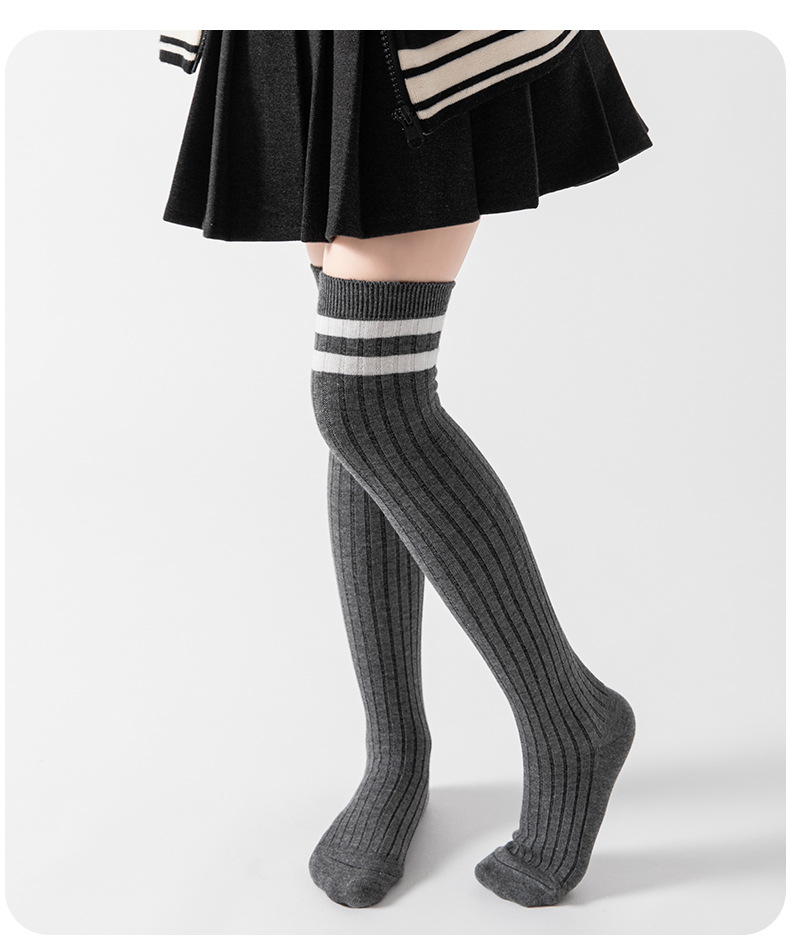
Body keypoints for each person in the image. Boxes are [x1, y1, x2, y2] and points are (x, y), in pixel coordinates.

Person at [159, 30, 653, 909]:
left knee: (365, 401)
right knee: (364, 393)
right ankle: (395, 751)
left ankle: (570, 720)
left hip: (409, 39)